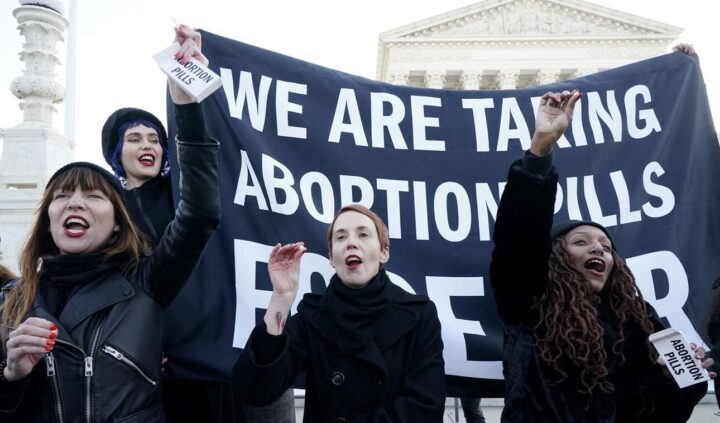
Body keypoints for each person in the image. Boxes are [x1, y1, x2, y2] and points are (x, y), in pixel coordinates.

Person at [0, 42, 220, 421]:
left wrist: (186, 103)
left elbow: (199, 211)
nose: (75, 203)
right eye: (63, 195)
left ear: (119, 221)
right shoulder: (10, 300)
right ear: (48, 219)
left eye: (93, 196)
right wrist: (11, 375)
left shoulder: (147, 280)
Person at [490, 90, 709, 421]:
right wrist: (540, 151)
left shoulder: (639, 321)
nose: (598, 249)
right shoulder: (529, 304)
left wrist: (677, 378)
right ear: (554, 257)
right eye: (582, 242)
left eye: (606, 248)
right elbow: (518, 239)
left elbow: (664, 413)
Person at [233, 204, 446, 422]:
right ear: (332, 258)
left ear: (384, 252)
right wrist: (281, 297)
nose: (351, 242)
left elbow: (425, 408)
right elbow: (255, 390)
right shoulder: (314, 316)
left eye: (363, 234)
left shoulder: (419, 315)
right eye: (341, 237)